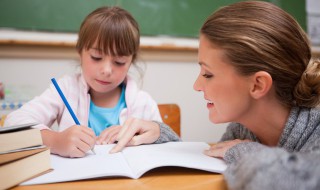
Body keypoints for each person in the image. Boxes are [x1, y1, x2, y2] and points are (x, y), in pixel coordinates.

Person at [112, 1, 320, 189]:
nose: (196, 85)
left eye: (207, 74)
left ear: (257, 85)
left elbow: (280, 181)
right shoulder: (243, 129)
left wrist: (244, 151)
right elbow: (210, 159)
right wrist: (160, 135)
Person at [4, 6, 179, 158]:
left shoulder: (143, 102)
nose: (106, 70)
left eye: (119, 62)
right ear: (80, 52)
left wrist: (157, 131)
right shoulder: (65, 90)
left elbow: (173, 147)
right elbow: (13, 123)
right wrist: (55, 141)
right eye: (96, 57)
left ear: (131, 61)